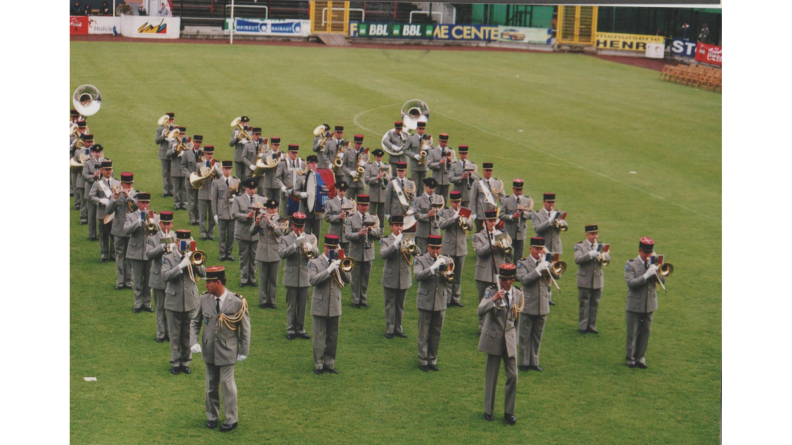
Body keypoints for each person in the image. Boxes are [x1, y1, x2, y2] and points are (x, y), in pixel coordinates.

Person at [190, 266, 250, 432]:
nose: (206, 285)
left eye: (209, 282)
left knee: (227, 384)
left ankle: (231, 419)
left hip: (228, 350)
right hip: (209, 349)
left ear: (218, 282)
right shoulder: (204, 299)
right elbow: (195, 322)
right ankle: (212, 416)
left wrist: (244, 350)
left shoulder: (237, 302)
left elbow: (245, 328)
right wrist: (193, 341)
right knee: (210, 384)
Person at [479, 263, 522, 425]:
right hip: (494, 339)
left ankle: (509, 412)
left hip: (509, 340)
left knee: (513, 376)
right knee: (492, 377)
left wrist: (514, 340)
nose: (502, 282)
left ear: (511, 280)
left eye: (505, 280)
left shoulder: (518, 294)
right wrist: (493, 299)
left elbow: (517, 320)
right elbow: (480, 309)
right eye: (501, 279)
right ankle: (488, 410)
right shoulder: (491, 291)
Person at [162, 229, 207, 375]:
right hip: (174, 300)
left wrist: (193, 260)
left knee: (188, 334)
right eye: (182, 243)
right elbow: (165, 276)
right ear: (176, 242)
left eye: (187, 243)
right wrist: (180, 266)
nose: (185, 245)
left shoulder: (193, 255)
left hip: (190, 300)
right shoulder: (169, 257)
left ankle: (186, 362)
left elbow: (203, 273)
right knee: (175, 334)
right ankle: (175, 362)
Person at [308, 235, 352, 374]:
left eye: (335, 248)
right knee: (319, 336)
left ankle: (329, 363)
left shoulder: (339, 260)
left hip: (334, 303)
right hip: (320, 303)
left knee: (333, 336)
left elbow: (348, 280)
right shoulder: (315, 262)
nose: (332, 251)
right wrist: (328, 270)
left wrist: (341, 264)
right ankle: (319, 364)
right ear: (325, 247)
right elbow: (313, 280)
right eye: (330, 248)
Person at [516, 237, 559, 372]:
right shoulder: (522, 263)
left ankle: (534, 362)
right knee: (525, 335)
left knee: (537, 336)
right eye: (536, 249)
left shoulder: (545, 262)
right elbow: (524, 280)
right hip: (528, 304)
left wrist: (550, 267)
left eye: (541, 249)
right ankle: (523, 362)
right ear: (530, 249)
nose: (539, 251)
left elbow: (558, 276)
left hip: (542, 304)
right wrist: (538, 270)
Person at [414, 235, 453, 372]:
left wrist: (446, 272)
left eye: (438, 248)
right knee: (423, 332)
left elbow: (450, 279)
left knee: (436, 332)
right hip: (425, 300)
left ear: (441, 248)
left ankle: (432, 359)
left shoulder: (446, 260)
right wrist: (432, 268)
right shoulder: (420, 259)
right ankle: (423, 360)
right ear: (427, 247)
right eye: (433, 248)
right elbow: (418, 276)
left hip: (440, 300)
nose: (435, 251)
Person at [624, 237, 664, 369]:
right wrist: (646, 275)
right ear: (639, 251)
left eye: (650, 252)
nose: (648, 255)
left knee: (646, 332)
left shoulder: (654, 263)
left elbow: (662, 282)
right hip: (635, 303)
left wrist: (657, 271)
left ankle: (640, 358)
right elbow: (631, 284)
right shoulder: (631, 265)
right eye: (646, 253)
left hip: (649, 303)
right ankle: (630, 358)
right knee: (633, 331)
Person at [278, 212, 318, 340]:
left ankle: (300, 329)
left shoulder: (310, 237)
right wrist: (295, 245)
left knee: (302, 305)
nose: (300, 229)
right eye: (297, 227)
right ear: (292, 226)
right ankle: (290, 329)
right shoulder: (285, 238)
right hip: (291, 275)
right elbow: (281, 254)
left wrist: (309, 246)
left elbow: (316, 253)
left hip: (305, 276)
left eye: (301, 227)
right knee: (291, 304)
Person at [379, 215, 417, 339]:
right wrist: (395, 243)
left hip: (404, 277)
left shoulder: (407, 238)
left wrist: (411, 243)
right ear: (391, 226)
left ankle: (398, 328)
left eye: (400, 225)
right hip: (390, 277)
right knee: (390, 303)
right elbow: (383, 254)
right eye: (396, 225)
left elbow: (418, 253)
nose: (398, 228)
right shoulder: (385, 240)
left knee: (400, 304)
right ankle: (390, 328)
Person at [344, 195, 382, 308]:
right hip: (355, 252)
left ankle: (363, 298)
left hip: (368, 252)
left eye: (366, 205)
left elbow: (379, 234)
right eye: (362, 205)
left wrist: (371, 231)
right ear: (358, 205)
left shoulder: (373, 218)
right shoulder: (350, 218)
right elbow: (347, 235)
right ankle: (355, 300)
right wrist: (358, 234)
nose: (364, 207)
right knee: (355, 278)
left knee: (366, 277)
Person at [574, 224, 611, 334]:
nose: (595, 236)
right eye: (592, 234)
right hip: (585, 279)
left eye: (596, 234)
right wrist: (590, 254)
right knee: (584, 303)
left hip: (597, 279)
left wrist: (604, 256)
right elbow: (578, 259)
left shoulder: (601, 245)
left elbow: (608, 258)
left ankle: (591, 325)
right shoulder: (580, 246)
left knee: (595, 303)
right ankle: (583, 326)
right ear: (587, 234)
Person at [473, 210, 509, 323]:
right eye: (490, 221)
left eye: (494, 221)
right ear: (485, 222)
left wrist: (505, 245)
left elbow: (508, 254)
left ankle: (495, 324)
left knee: (499, 301)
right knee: (483, 301)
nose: (493, 223)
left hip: (498, 272)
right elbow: (480, 252)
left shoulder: (502, 235)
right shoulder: (477, 236)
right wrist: (492, 243)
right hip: (483, 274)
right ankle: (482, 325)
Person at [532, 192, 567, 305]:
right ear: (544, 202)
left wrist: (560, 222)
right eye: (549, 202)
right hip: (543, 248)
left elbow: (565, 226)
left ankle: (548, 296)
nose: (551, 204)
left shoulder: (557, 213)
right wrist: (549, 221)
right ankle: (542, 296)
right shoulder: (537, 215)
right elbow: (537, 228)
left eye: (553, 202)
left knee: (552, 271)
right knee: (543, 271)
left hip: (555, 246)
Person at [123, 192, 155, 313]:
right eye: (142, 202)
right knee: (137, 280)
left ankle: (147, 304)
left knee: (148, 281)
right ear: (138, 203)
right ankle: (137, 304)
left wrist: (153, 223)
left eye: (147, 202)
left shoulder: (154, 216)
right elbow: (126, 230)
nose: (145, 205)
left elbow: (157, 232)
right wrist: (139, 221)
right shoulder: (130, 216)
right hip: (135, 251)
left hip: (149, 252)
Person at [146, 211, 175, 342]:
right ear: (160, 223)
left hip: (171, 276)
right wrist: (162, 247)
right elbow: (148, 254)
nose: (166, 226)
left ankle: (169, 333)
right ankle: (160, 334)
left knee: (170, 307)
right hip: (158, 276)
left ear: (172, 224)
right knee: (159, 307)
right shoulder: (152, 237)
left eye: (168, 223)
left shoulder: (176, 237)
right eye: (164, 224)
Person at [231, 178, 265, 287]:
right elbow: (234, 214)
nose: (252, 190)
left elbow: (266, 211)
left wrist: (260, 212)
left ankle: (253, 279)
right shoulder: (238, 199)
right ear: (245, 188)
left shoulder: (261, 199)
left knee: (254, 257)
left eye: (254, 188)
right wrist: (246, 216)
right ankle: (244, 279)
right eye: (250, 188)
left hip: (255, 233)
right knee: (244, 257)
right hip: (242, 232)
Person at [108, 172, 138, 290]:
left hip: (131, 230)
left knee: (130, 257)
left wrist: (128, 197)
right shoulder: (115, 194)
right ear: (121, 184)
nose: (128, 186)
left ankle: (128, 281)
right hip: (119, 230)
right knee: (120, 256)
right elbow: (109, 211)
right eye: (126, 184)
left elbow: (138, 208)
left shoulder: (136, 194)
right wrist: (114, 199)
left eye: (130, 184)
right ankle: (120, 282)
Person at [438, 191, 468, 307]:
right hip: (448, 247)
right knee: (447, 274)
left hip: (460, 247)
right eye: (455, 202)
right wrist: (454, 218)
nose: (457, 204)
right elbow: (442, 225)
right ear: (451, 202)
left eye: (459, 202)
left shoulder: (465, 211)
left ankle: (455, 298)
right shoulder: (445, 212)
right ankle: (446, 299)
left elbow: (470, 226)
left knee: (458, 276)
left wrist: (464, 220)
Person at [254, 199, 283, 309]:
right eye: (271, 208)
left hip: (275, 252)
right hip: (262, 251)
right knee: (262, 278)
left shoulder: (280, 220)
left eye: (275, 208)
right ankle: (263, 300)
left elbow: (280, 233)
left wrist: (270, 222)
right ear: (267, 209)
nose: (273, 210)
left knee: (273, 279)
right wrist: (257, 223)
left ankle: (272, 301)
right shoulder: (261, 218)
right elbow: (252, 231)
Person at [89, 159, 118, 263]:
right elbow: (91, 196)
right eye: (106, 170)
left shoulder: (117, 182)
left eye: (110, 169)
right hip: (102, 214)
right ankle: (104, 254)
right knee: (103, 235)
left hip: (114, 214)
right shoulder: (98, 184)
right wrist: (100, 200)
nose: (109, 172)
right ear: (101, 170)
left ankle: (114, 254)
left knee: (114, 234)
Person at [498, 179, 533, 262]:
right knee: (508, 256)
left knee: (519, 257)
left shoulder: (527, 200)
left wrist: (524, 213)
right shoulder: (506, 200)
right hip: (509, 233)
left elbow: (532, 215)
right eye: (517, 190)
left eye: (521, 189)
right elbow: (501, 215)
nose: (519, 192)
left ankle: (517, 274)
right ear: (513, 189)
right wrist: (512, 216)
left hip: (521, 233)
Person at [212, 161, 240, 261]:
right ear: (222, 169)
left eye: (229, 169)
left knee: (231, 235)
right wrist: (214, 214)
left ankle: (229, 253)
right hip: (221, 212)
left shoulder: (236, 181)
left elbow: (239, 196)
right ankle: (222, 253)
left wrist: (235, 199)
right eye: (225, 169)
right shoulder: (216, 182)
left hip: (232, 212)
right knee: (221, 235)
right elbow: (214, 199)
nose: (227, 171)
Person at [291, 155, 322, 236]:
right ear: (307, 165)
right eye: (311, 163)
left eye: (315, 163)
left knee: (316, 236)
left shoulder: (321, 177)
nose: (314, 165)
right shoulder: (302, 177)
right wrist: (301, 194)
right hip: (305, 212)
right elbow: (294, 192)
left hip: (317, 213)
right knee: (304, 234)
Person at [470, 162, 506, 232]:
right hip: (481, 215)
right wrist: (474, 214)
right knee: (481, 235)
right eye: (487, 170)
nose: (488, 172)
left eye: (490, 170)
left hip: (493, 215)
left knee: (492, 235)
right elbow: (473, 198)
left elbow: (503, 199)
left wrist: (502, 212)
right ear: (483, 171)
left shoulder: (498, 183)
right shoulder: (477, 183)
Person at [413, 177, 445, 254]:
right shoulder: (419, 199)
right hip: (422, 233)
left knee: (435, 254)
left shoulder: (439, 198)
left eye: (433, 188)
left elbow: (443, 214)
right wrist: (427, 215)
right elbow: (416, 215)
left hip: (435, 231)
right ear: (425, 186)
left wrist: (437, 213)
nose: (432, 190)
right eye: (430, 188)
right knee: (422, 254)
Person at [196, 146, 220, 240]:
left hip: (213, 193)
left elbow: (221, 176)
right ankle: (203, 233)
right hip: (202, 192)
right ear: (205, 154)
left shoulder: (217, 164)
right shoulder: (199, 165)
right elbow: (197, 177)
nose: (210, 156)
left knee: (212, 215)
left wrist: (215, 168)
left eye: (211, 154)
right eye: (208, 154)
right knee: (202, 215)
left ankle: (210, 233)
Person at [324, 181, 355, 253]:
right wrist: (338, 217)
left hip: (346, 234)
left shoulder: (350, 202)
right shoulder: (330, 202)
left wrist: (349, 214)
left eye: (344, 191)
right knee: (333, 254)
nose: (342, 193)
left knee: (345, 255)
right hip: (335, 233)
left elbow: (354, 218)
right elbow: (327, 217)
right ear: (336, 190)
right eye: (340, 190)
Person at [275, 144, 304, 217]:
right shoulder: (283, 163)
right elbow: (277, 177)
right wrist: (283, 187)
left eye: (296, 152)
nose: (295, 154)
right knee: (287, 216)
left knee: (298, 217)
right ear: (288, 152)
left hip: (298, 195)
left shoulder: (302, 163)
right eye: (293, 152)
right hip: (287, 195)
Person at [181, 135, 204, 225]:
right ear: (193, 142)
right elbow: (183, 166)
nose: (198, 144)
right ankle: (192, 219)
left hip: (200, 181)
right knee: (191, 201)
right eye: (196, 142)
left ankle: (198, 218)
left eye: (199, 143)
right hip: (190, 181)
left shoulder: (203, 153)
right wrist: (190, 176)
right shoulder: (187, 153)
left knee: (199, 201)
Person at [363, 148, 389, 224]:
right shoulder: (370, 166)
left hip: (382, 194)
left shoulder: (385, 166)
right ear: (375, 156)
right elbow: (366, 180)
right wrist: (376, 178)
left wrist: (385, 176)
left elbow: (389, 180)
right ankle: (371, 230)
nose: (379, 158)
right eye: (377, 156)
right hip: (373, 194)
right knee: (371, 214)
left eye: (380, 157)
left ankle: (380, 232)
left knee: (381, 215)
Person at [81, 138, 102, 231]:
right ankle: (92, 234)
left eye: (99, 152)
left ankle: (101, 233)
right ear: (92, 152)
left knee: (101, 214)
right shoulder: (87, 162)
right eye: (95, 152)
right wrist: (93, 176)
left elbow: (111, 174)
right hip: (90, 190)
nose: (97, 154)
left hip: (102, 191)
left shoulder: (105, 162)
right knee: (91, 213)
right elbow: (84, 175)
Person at [404, 121, 430, 196]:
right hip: (415, 165)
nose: (421, 130)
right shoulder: (411, 138)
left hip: (424, 166)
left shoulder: (427, 139)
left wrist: (428, 148)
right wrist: (414, 155)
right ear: (416, 129)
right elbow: (405, 150)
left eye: (423, 129)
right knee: (414, 186)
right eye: (420, 129)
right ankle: (414, 203)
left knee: (422, 186)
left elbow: (432, 151)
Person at [259, 136, 286, 206]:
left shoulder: (283, 155)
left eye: (278, 145)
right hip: (268, 182)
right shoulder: (266, 155)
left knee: (277, 203)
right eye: (275, 145)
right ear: (271, 145)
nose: (277, 146)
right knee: (267, 203)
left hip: (278, 183)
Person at [449, 145, 478, 209]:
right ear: (459, 154)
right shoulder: (454, 165)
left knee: (466, 214)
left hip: (467, 194)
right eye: (462, 153)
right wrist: (460, 178)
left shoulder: (472, 165)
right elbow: (450, 178)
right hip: (457, 195)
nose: (464, 155)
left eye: (465, 153)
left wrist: (471, 175)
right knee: (456, 213)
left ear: (467, 154)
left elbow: (477, 179)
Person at [167, 126, 189, 210]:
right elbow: (167, 155)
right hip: (175, 168)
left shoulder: (188, 142)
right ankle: (176, 204)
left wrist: (185, 152)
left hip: (184, 169)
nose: (182, 135)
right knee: (175, 189)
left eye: (183, 134)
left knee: (184, 188)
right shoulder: (172, 143)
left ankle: (184, 204)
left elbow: (191, 154)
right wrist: (173, 150)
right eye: (180, 134)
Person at [427, 133, 453, 203]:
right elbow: (429, 164)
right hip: (436, 180)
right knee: (435, 201)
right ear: (439, 141)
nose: (444, 143)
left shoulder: (451, 152)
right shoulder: (433, 151)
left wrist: (450, 161)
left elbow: (455, 166)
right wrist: (439, 163)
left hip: (446, 181)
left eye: (446, 142)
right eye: (443, 141)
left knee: (444, 201)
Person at [340, 134, 367, 201]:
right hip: (350, 182)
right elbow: (343, 166)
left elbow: (368, 167)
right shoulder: (348, 153)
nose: (358, 146)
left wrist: (365, 165)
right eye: (357, 144)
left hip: (360, 182)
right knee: (350, 203)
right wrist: (350, 172)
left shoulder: (364, 154)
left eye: (360, 144)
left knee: (361, 202)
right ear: (354, 143)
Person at [155, 112, 175, 197]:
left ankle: (172, 190)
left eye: (171, 119)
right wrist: (163, 136)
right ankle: (165, 191)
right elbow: (156, 141)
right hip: (163, 153)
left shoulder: (175, 128)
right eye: (169, 119)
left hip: (172, 153)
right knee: (165, 173)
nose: (170, 121)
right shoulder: (160, 129)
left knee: (172, 173)